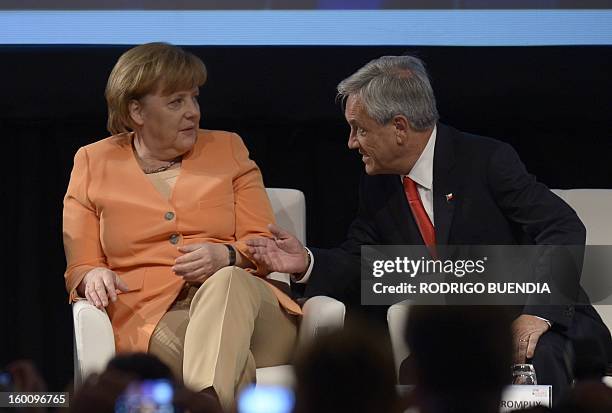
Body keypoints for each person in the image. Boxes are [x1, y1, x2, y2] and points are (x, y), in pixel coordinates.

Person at [246, 55, 611, 402]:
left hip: (530, 316)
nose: (351, 142)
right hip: (458, 332)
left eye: (360, 129)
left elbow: (562, 227)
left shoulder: (485, 161)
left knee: (533, 356)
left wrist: (538, 313)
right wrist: (306, 262)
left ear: (400, 127)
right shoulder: (379, 185)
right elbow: (363, 263)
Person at [63, 42, 301, 412]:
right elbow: (79, 265)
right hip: (155, 316)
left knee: (228, 279)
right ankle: (209, 400)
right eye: (176, 102)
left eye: (194, 98)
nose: (192, 112)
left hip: (256, 315)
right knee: (228, 360)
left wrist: (226, 255)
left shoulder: (228, 149)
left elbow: (261, 243)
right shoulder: (94, 161)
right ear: (136, 111)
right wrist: (91, 273)